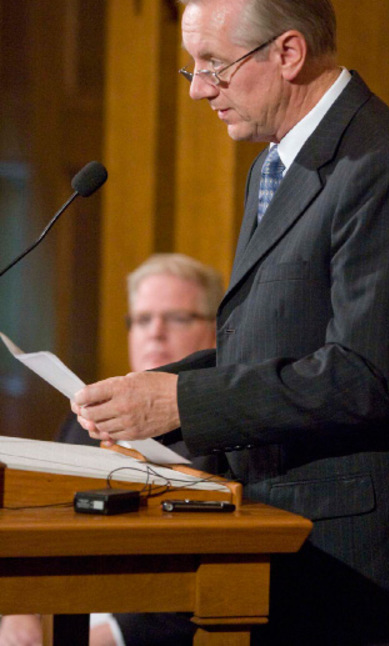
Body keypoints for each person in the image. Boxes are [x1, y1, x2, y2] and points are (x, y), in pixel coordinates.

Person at [72, 0, 389, 645]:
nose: (200, 90)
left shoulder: (383, 165)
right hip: (281, 548)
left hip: (355, 577)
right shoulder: (275, 164)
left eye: (214, 64)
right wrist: (151, 391)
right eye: (195, 68)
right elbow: (274, 349)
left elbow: (364, 376)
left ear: (288, 52)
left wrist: (181, 405)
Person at [0, 253, 224, 646]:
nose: (154, 332)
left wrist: (108, 635)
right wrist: (19, 613)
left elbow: (216, 573)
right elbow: (37, 524)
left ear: (216, 330)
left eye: (176, 318)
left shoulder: (224, 432)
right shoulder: (81, 419)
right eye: (142, 319)